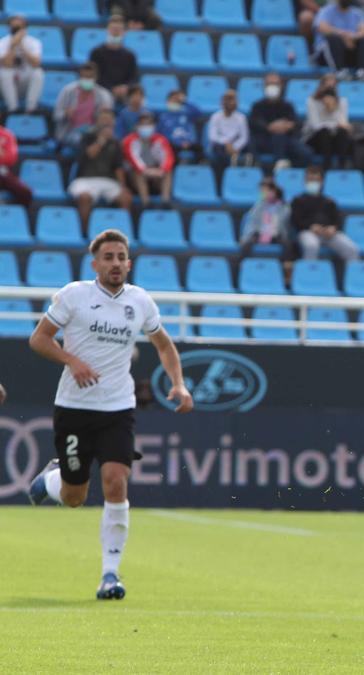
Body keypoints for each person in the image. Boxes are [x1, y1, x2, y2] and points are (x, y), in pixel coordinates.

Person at [26, 228, 194, 601]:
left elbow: (164, 344)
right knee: (74, 496)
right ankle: (50, 482)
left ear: (129, 263)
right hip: (74, 408)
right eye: (108, 258)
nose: (115, 263)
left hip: (118, 408)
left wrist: (179, 384)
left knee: (116, 480)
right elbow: (38, 339)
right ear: (95, 264)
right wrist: (73, 362)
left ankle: (110, 575)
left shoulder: (140, 302)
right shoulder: (74, 296)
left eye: (121, 257)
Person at [68, 109, 132, 225]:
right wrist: (101, 140)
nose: (106, 123)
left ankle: (122, 232)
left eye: (109, 120)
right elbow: (89, 154)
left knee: (126, 198)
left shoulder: (116, 143)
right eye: (103, 120)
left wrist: (123, 187)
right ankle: (84, 233)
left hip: (108, 181)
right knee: (84, 198)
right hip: (85, 180)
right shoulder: (86, 137)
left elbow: (118, 167)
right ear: (96, 122)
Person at [291, 165, 359, 262]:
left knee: (352, 249)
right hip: (308, 232)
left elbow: (338, 220)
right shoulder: (297, 200)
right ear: (304, 181)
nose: (313, 183)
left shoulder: (329, 201)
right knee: (311, 246)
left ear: (322, 182)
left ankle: (353, 276)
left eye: (316, 180)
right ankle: (308, 275)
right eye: (310, 180)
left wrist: (333, 228)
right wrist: (311, 226)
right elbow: (295, 221)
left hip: (329, 234)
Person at [250, 73, 310, 169]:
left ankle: (289, 172)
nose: (272, 87)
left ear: (281, 86)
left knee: (306, 153)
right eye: (269, 84)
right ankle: (279, 165)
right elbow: (255, 123)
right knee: (277, 137)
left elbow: (295, 123)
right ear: (264, 86)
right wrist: (269, 127)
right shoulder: (257, 106)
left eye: (275, 84)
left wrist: (288, 126)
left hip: (286, 141)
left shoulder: (288, 106)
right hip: (265, 141)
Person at [54, 63, 115, 147]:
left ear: (95, 77)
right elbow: (56, 115)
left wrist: (103, 116)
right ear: (80, 77)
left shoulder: (104, 95)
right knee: (82, 140)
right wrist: (65, 114)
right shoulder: (67, 91)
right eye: (85, 76)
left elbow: (109, 121)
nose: (87, 79)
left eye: (90, 77)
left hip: (94, 131)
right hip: (70, 131)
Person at [122, 112, 175, 206]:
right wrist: (145, 170)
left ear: (154, 126)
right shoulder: (129, 140)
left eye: (149, 124)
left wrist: (162, 170)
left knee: (168, 172)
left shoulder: (161, 140)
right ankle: (146, 203)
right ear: (137, 126)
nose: (146, 127)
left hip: (155, 174)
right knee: (138, 173)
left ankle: (165, 201)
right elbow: (133, 159)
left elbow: (168, 158)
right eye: (143, 124)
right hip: (135, 176)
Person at [314, 0, 364, 79]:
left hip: (350, 48)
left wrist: (353, 37)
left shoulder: (357, 12)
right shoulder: (326, 11)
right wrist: (343, 35)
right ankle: (339, 71)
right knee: (333, 38)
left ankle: (362, 71)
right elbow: (322, 27)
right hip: (327, 55)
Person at [0, 15, 44, 114]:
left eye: (19, 27)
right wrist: (13, 46)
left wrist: (22, 46)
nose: (16, 30)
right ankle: (13, 108)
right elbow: (7, 64)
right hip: (5, 87)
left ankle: (31, 108)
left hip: (25, 84)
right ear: (9, 28)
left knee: (38, 72)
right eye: (14, 28)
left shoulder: (34, 42)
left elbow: (36, 63)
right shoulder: (2, 42)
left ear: (25, 28)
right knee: (5, 72)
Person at [88, 17, 139, 102]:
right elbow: (93, 75)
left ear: (124, 33)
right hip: (101, 92)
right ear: (107, 31)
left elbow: (134, 77)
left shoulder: (130, 55)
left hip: (124, 94)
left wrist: (125, 87)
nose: (116, 32)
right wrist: (111, 89)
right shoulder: (96, 53)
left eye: (119, 30)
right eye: (113, 29)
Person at [303, 83, 353, 169]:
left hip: (334, 139)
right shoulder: (312, 102)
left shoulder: (342, 103)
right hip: (316, 139)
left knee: (342, 132)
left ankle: (342, 165)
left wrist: (333, 111)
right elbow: (315, 126)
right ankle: (327, 165)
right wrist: (335, 124)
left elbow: (343, 123)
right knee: (324, 131)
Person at [239, 179, 291, 259]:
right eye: (261, 191)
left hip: (276, 234)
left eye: (266, 190)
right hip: (259, 233)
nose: (263, 193)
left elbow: (282, 223)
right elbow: (252, 223)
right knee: (246, 244)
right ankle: (243, 264)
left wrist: (271, 233)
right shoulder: (258, 206)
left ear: (274, 191)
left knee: (287, 244)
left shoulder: (284, 207)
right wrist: (260, 233)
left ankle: (283, 267)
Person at [207, 89, 251, 171]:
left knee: (250, 146)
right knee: (218, 150)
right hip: (220, 146)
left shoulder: (241, 118)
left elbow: (244, 137)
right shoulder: (215, 117)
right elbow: (213, 137)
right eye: (227, 99)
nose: (229, 102)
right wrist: (226, 144)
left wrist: (234, 147)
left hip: (236, 146)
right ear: (222, 102)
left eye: (232, 99)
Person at [156, 90, 205, 159]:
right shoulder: (163, 117)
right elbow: (161, 134)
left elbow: (199, 113)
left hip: (188, 143)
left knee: (199, 148)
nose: (175, 102)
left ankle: (200, 166)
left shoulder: (186, 114)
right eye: (173, 99)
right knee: (171, 149)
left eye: (177, 100)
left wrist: (185, 102)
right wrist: (179, 142)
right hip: (173, 144)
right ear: (167, 102)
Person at [0, 123, 34, 208]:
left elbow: (11, 158)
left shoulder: (6, 134)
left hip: (3, 173)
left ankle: (20, 216)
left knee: (25, 192)